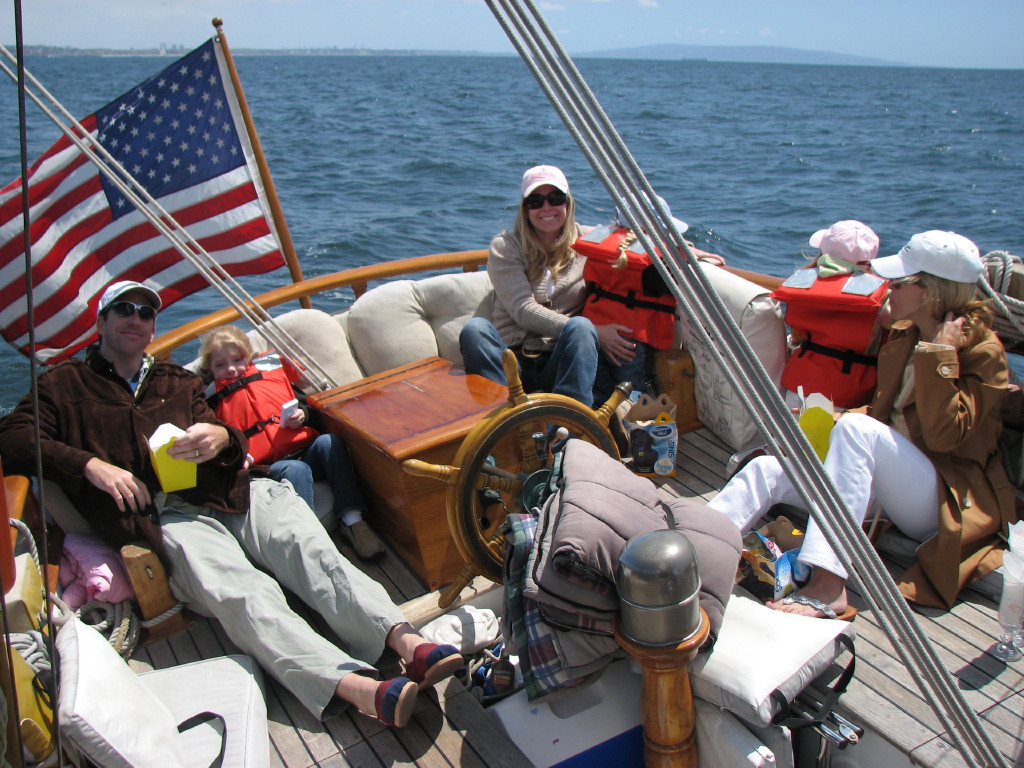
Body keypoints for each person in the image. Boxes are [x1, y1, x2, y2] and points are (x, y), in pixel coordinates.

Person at [0, 280, 463, 727]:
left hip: (232, 490)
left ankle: (405, 642)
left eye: (146, 312)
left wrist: (219, 436)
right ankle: (355, 687)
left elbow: (231, 437)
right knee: (243, 591)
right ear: (101, 323)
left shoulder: (176, 380)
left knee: (311, 549)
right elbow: (13, 439)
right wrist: (90, 466)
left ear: (153, 330)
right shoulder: (62, 386)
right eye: (124, 309)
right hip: (164, 517)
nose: (136, 319)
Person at [708, 231, 1020, 617]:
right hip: (889, 483)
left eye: (901, 282)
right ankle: (698, 550)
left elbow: (944, 438)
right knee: (766, 469)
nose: (888, 287)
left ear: (931, 292)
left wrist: (939, 356)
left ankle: (828, 584)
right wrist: (832, 418)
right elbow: (886, 421)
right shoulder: (905, 335)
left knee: (857, 433)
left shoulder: (982, 351)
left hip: (942, 497)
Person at [459, 165, 648, 408]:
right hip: (512, 360)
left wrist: (697, 254)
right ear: (525, 209)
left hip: (560, 359)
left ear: (568, 204)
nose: (546, 208)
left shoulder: (590, 241)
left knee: (581, 328)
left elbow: (636, 241)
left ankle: (569, 425)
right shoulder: (505, 247)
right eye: (536, 201)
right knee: (475, 329)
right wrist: (597, 332)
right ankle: (500, 420)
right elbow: (523, 310)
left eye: (555, 199)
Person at [198, 325, 384, 559]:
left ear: (249, 356)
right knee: (296, 468)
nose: (232, 369)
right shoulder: (210, 401)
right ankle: (311, 540)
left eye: (237, 359)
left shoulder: (270, 373)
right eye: (220, 365)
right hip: (269, 468)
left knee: (330, 442)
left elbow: (308, 405)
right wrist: (236, 455)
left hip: (305, 450)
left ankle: (353, 521)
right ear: (209, 369)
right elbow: (218, 444)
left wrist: (303, 415)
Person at [772, 220, 888, 410]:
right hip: (849, 392)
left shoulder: (804, 282)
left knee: (791, 438)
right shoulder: (883, 295)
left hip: (800, 383)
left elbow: (798, 335)